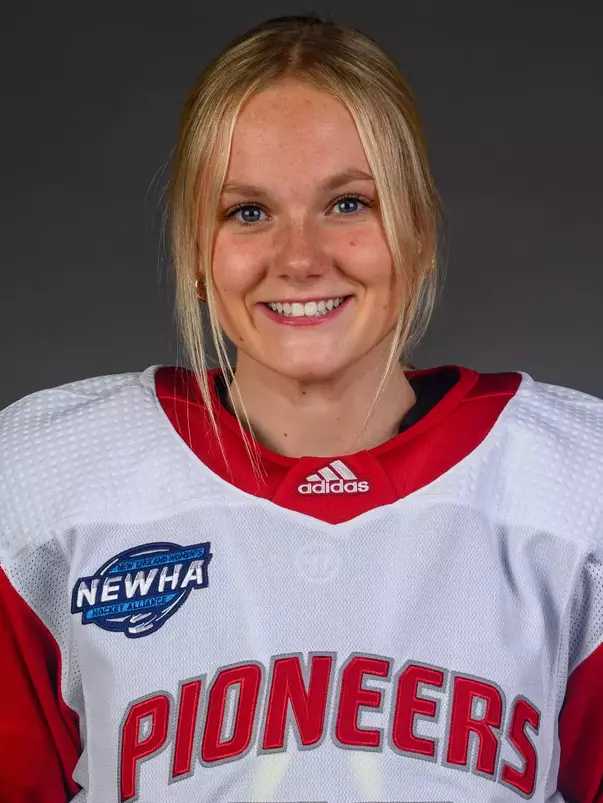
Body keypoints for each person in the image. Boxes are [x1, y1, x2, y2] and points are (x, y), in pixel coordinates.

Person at [0, 13, 601, 803]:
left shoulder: (574, 485)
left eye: (348, 204)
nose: (300, 258)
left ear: (415, 230)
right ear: (193, 250)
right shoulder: (45, 480)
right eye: (247, 211)